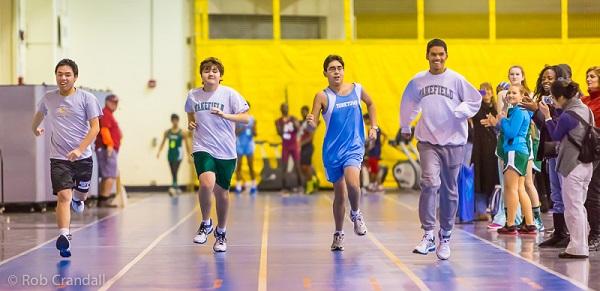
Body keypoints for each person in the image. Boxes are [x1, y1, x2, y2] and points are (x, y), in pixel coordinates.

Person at [400, 39, 481, 260]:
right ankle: (428, 234)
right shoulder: (418, 81)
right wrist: (406, 124)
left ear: (446, 56)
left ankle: (445, 236)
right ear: (427, 55)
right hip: (428, 141)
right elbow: (408, 102)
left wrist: (462, 110)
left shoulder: (456, 79)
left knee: (449, 190)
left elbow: (475, 100)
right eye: (433, 54)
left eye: (441, 54)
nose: (437, 58)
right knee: (429, 182)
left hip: (454, 142)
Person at [307, 54, 378, 251]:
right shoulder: (322, 96)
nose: (336, 71)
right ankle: (338, 233)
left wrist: (374, 127)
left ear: (344, 70)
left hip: (353, 147)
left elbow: (371, 104)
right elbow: (313, 123)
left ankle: (356, 214)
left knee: (353, 183)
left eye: (339, 68)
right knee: (339, 195)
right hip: (332, 151)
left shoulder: (357, 89)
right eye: (332, 68)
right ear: (325, 73)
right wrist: (311, 123)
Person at [31, 59, 102, 257]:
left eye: (67, 74)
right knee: (63, 196)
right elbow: (38, 115)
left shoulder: (87, 98)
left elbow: (96, 128)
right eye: (60, 74)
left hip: (83, 157)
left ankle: (80, 200)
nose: (63, 78)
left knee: (79, 196)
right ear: (56, 76)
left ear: (75, 77)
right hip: (59, 157)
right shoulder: (48, 98)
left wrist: (80, 149)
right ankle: (64, 236)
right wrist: (34, 128)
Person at [185, 57, 250, 252]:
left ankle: (221, 232)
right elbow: (189, 112)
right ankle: (206, 223)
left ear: (220, 76)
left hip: (226, 150)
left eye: (214, 70)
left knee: (222, 194)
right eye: (206, 70)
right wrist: (190, 123)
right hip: (202, 146)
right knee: (206, 183)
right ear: (202, 75)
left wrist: (225, 115)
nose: (210, 73)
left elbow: (246, 118)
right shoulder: (193, 95)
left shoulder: (229, 94)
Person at [540, 80, 595, 259]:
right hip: (587, 164)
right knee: (580, 205)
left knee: (572, 207)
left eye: (555, 98)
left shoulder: (567, 116)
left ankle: (578, 248)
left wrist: (547, 117)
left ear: (562, 97)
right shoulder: (585, 109)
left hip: (573, 165)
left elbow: (555, 135)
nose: (554, 101)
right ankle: (581, 244)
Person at [483, 85, 537, 235]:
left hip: (514, 150)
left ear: (522, 96)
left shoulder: (518, 111)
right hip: (520, 151)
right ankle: (530, 224)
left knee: (510, 188)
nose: (510, 95)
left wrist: (501, 121)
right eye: (509, 93)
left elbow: (511, 132)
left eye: (514, 93)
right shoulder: (520, 111)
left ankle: (511, 224)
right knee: (520, 188)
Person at [471, 83, 499, 220]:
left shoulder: (496, 109)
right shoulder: (476, 109)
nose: (486, 93)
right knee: (479, 179)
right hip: (479, 150)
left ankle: (495, 209)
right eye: (483, 91)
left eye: (489, 90)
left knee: (494, 179)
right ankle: (481, 210)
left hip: (494, 149)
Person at [582, 66, 600, 251]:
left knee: (594, 194)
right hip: (587, 150)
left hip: (598, 148)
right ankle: (592, 231)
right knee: (589, 194)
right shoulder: (584, 100)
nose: (588, 79)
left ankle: (597, 234)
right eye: (587, 76)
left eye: (592, 77)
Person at [95, 94, 122, 207]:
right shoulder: (105, 113)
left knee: (107, 175)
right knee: (110, 175)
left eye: (116, 103)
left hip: (107, 148)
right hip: (107, 148)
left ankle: (102, 199)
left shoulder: (108, 114)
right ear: (106, 102)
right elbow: (104, 130)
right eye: (112, 102)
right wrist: (110, 145)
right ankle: (104, 199)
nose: (114, 104)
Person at [156, 113, 190, 195]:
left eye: (176, 120)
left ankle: (174, 186)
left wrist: (189, 156)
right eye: (173, 120)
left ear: (178, 121)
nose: (175, 122)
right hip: (170, 153)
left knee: (175, 169)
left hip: (178, 154)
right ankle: (176, 186)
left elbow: (187, 145)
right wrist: (159, 151)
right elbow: (163, 142)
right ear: (171, 121)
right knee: (172, 170)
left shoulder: (182, 133)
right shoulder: (168, 132)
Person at [275, 103, 303, 192]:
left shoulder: (293, 118)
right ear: (281, 109)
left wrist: (295, 124)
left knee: (297, 165)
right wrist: (282, 125)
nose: (285, 109)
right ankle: (284, 187)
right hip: (285, 146)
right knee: (284, 166)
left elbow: (298, 128)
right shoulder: (278, 121)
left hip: (294, 145)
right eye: (283, 108)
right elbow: (279, 133)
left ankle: (300, 185)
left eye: (286, 107)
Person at [234, 109, 257, 194]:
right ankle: (238, 186)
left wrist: (252, 130)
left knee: (251, 165)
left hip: (249, 145)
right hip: (239, 145)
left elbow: (255, 133)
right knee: (238, 165)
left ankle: (254, 185)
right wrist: (243, 127)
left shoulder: (252, 119)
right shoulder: (237, 119)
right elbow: (235, 132)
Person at [363, 113, 387, 192]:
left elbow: (371, 143)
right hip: (376, 151)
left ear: (369, 119)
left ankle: (373, 184)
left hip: (373, 152)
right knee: (374, 168)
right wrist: (380, 145)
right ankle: (375, 184)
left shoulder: (372, 129)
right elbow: (385, 135)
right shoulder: (377, 128)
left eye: (365, 120)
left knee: (373, 169)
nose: (365, 123)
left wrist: (367, 150)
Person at [299, 105, 318, 194]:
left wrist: (301, 144)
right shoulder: (302, 123)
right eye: (302, 112)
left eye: (305, 111)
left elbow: (310, 137)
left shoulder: (310, 123)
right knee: (303, 167)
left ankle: (310, 185)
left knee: (306, 166)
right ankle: (313, 180)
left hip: (308, 147)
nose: (303, 113)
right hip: (302, 147)